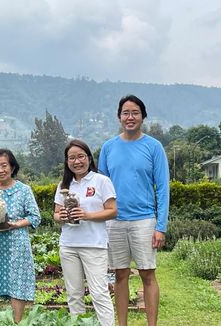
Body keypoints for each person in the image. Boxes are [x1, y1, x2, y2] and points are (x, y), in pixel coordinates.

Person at [98, 94, 169, 326]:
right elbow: (101, 189)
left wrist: (161, 227)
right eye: (125, 113)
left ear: (143, 116)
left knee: (148, 274)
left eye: (135, 113)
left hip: (144, 221)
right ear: (119, 117)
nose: (130, 117)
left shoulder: (154, 147)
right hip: (114, 221)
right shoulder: (108, 148)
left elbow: (163, 188)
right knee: (120, 275)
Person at [0, 148, 41, 323]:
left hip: (17, 242)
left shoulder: (24, 190)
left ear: (12, 167)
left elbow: (35, 217)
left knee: (17, 281)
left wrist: (17, 224)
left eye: (4, 165)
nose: (0, 170)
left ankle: (16, 322)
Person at [53, 139, 116, 326]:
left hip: (94, 245)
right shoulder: (64, 185)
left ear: (89, 158)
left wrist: (88, 215)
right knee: (74, 294)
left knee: (99, 293)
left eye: (80, 156)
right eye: (71, 158)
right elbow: (55, 214)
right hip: (69, 246)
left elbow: (112, 210)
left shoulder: (101, 181)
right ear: (67, 162)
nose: (77, 161)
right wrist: (61, 216)